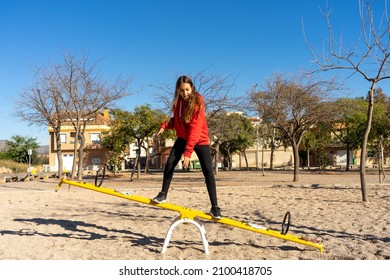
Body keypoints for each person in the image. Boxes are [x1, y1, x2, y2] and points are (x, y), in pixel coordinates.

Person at [152, 75, 222, 219]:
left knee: (208, 171)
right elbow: (177, 121)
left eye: (187, 90)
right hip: (183, 137)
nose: (185, 93)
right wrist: (165, 125)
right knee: (170, 163)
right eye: (182, 91)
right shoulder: (177, 103)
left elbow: (195, 128)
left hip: (200, 139)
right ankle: (163, 194)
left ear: (192, 88)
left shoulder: (198, 101)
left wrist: (188, 152)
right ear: (178, 90)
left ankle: (215, 207)